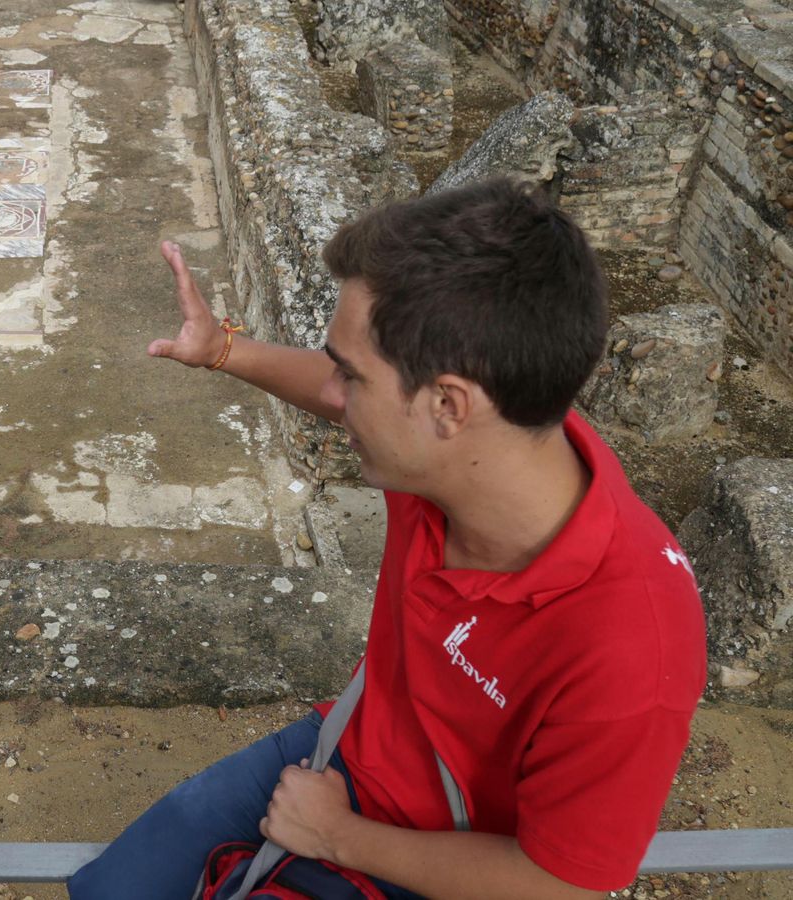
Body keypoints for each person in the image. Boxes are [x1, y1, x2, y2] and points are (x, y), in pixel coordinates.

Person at [69, 177, 706, 899]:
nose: (336, 399)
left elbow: (561, 884)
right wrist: (224, 351)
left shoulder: (632, 644)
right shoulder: (478, 452)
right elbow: (349, 393)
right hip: (345, 749)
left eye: (352, 376)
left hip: (445, 860)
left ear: (448, 405)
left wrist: (339, 837)